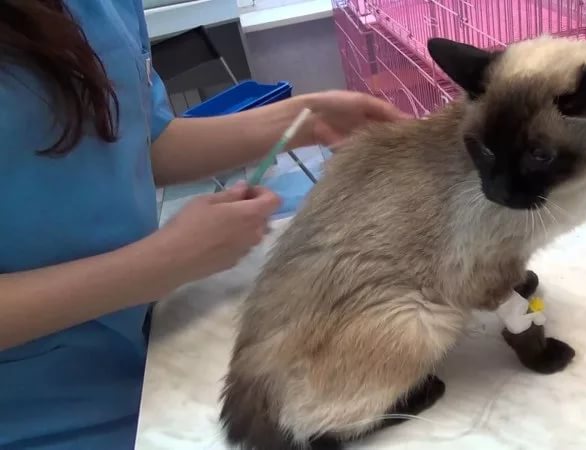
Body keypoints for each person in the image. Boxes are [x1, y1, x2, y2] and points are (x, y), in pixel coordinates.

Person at [0, 1, 408, 449]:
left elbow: (145, 141)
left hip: (145, 354)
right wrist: (159, 264)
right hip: (41, 417)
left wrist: (304, 118)